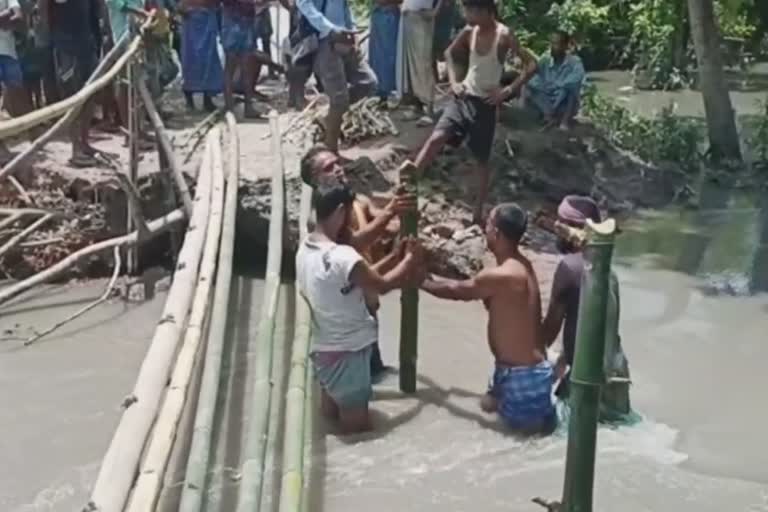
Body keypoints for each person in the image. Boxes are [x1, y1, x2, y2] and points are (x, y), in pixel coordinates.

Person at [296, 179, 423, 433]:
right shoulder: (343, 257)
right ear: (342, 212)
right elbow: (382, 285)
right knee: (360, 435)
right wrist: (410, 260)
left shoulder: (307, 249)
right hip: (350, 355)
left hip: (324, 354)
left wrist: (393, 257)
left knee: (331, 421)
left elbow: (356, 279)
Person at [421, 203, 556, 433]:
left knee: (520, 444)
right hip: (513, 370)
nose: (484, 229)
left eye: (488, 224)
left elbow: (458, 291)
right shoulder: (521, 265)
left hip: (523, 376)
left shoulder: (503, 275)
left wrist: (420, 282)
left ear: (497, 233)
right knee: (488, 410)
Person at [409, 0, 536, 224]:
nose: (467, 13)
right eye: (466, 9)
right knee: (436, 138)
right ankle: (407, 188)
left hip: (485, 105)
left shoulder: (504, 35)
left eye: (471, 10)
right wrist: (453, 81)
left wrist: (506, 91)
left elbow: (532, 65)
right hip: (463, 97)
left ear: (486, 12)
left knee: (480, 161)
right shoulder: (469, 31)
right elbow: (448, 54)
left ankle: (477, 214)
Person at [300, 144, 416, 379]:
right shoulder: (319, 219)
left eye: (337, 163)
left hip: (367, 291)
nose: (338, 169)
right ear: (315, 179)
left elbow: (387, 227)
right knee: (358, 375)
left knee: (372, 368)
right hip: (349, 302)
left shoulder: (358, 201)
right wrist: (390, 210)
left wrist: (406, 218)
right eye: (328, 168)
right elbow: (353, 244)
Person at [540, 195, 632, 421]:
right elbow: (593, 327)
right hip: (617, 375)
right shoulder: (608, 272)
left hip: (588, 380)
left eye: (561, 223)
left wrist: (522, 358)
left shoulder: (569, 267)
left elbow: (549, 332)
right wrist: (562, 361)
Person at [296, 0, 377, 153]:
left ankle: (327, 118)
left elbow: (344, 6)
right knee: (340, 99)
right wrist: (330, 29)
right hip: (325, 40)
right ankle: (331, 148)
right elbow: (303, 4)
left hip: (344, 37)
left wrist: (352, 30)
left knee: (368, 83)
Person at [39, 0, 106, 167]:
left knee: (91, 93)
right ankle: (76, 149)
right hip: (66, 45)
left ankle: (84, 141)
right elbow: (44, 13)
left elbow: (97, 9)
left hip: (87, 41)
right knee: (72, 97)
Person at [524, 30, 585, 131]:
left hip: (564, 103)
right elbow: (533, 77)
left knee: (570, 90)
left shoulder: (575, 62)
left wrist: (557, 87)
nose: (553, 47)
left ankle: (564, 122)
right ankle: (547, 116)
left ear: (566, 46)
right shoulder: (545, 60)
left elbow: (573, 82)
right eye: (551, 43)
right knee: (530, 84)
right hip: (547, 100)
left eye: (557, 44)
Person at [395, 0, 437, 120]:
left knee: (423, 63)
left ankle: (430, 108)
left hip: (423, 17)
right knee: (410, 66)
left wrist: (436, 11)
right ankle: (417, 107)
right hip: (409, 16)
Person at [179, 0, 222, 111]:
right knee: (191, 59)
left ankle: (207, 97)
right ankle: (189, 97)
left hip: (206, 18)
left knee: (208, 59)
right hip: (191, 19)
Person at [221, 0, 259, 118]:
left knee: (247, 66)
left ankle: (248, 107)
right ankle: (229, 108)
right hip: (232, 20)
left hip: (246, 19)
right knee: (230, 65)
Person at [368, 0, 400, 103]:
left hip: (388, 14)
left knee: (388, 55)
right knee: (384, 56)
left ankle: (384, 90)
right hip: (385, 14)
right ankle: (383, 90)